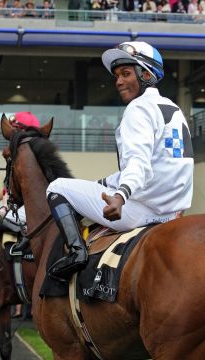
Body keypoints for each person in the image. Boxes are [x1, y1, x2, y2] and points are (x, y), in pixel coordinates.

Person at [46, 41, 194, 281]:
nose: (118, 81)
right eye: (117, 76)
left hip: (143, 211)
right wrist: (103, 182)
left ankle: (76, 254)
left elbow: (138, 163)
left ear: (146, 75)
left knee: (57, 187)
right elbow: (154, 165)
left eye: (126, 73)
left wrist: (120, 195)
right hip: (174, 212)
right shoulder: (173, 108)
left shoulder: (138, 108)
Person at [0, 111, 41, 253]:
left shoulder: (29, 153)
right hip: (25, 205)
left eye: (15, 130)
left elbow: (28, 187)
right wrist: (3, 193)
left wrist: (4, 193)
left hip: (34, 208)